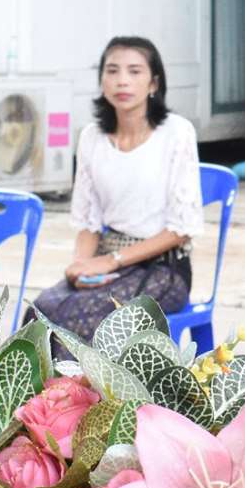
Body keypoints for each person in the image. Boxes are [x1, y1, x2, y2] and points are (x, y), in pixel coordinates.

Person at [30, 36, 202, 339]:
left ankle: (80, 376)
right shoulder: (92, 137)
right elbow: (88, 223)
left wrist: (111, 261)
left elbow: (181, 230)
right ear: (102, 81)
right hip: (106, 265)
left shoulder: (177, 132)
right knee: (41, 311)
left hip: (164, 270)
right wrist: (80, 266)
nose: (122, 81)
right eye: (112, 71)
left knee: (79, 317)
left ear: (153, 83)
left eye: (134, 71)